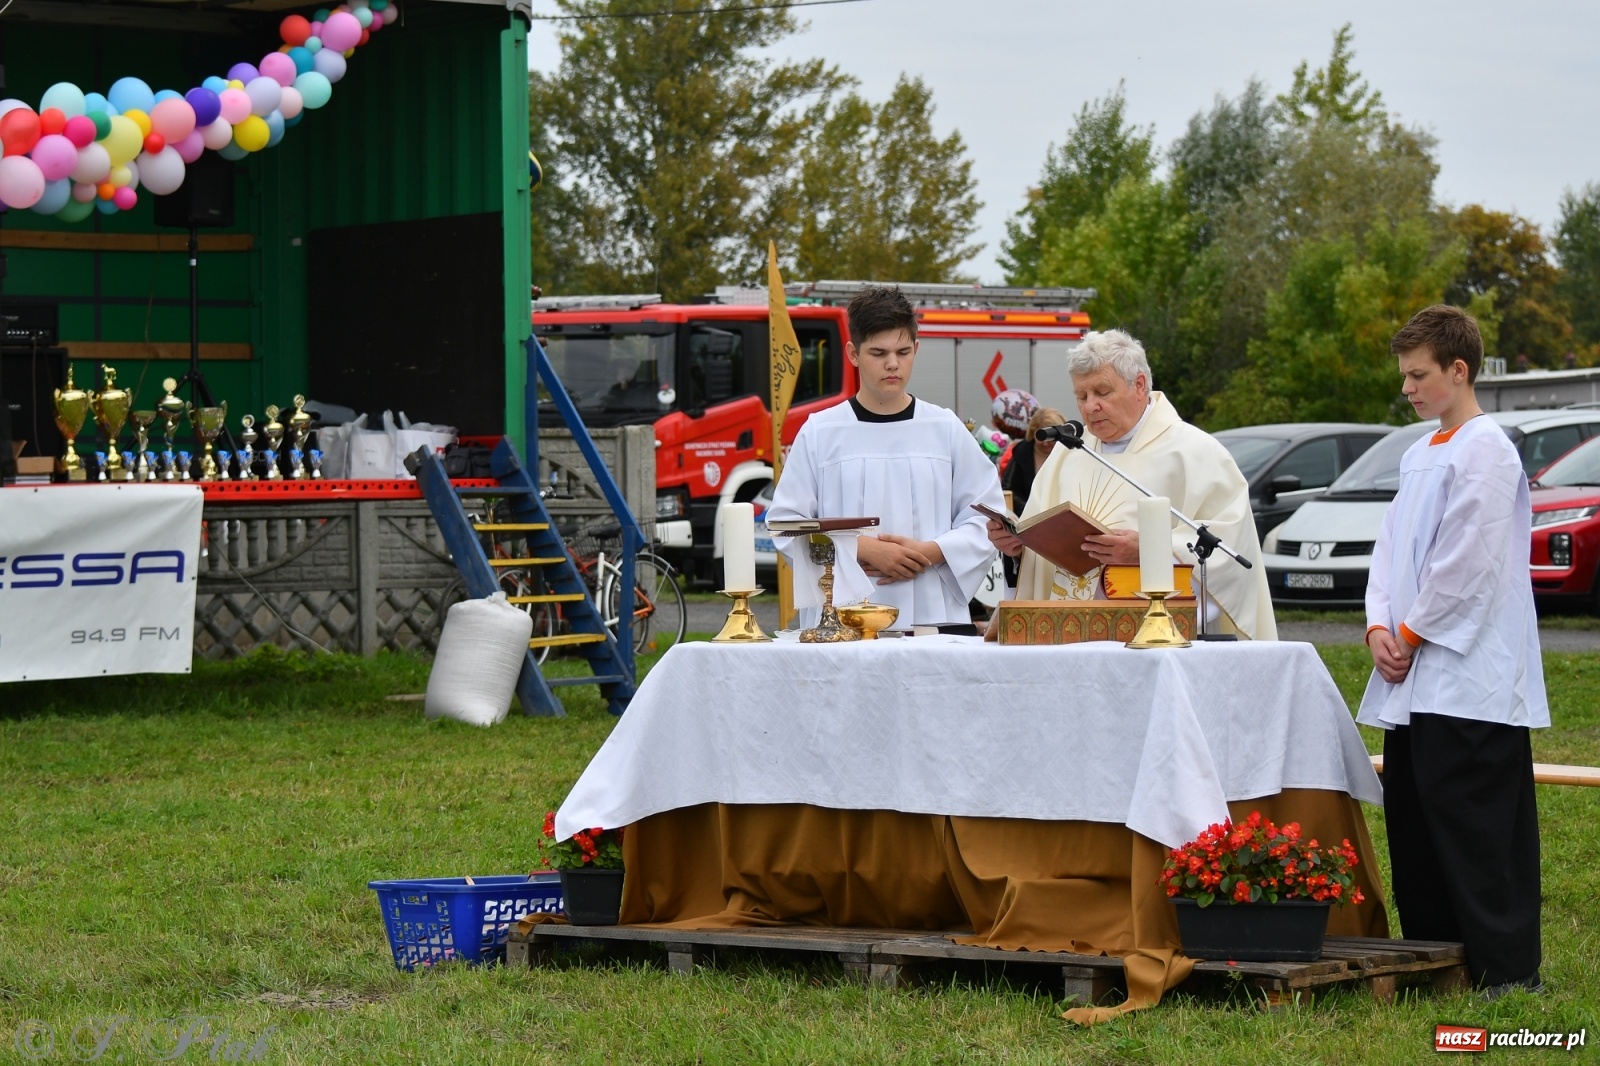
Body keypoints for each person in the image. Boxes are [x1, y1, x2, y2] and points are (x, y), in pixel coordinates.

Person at [1357, 304, 1547, 998]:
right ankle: (1434, 959)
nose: (1407, 389)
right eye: (1405, 375)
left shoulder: (1487, 450)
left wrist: (1409, 633)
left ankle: (1506, 967)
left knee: (1478, 823)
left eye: (1418, 375)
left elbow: (1469, 561)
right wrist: (1378, 625)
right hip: (1412, 676)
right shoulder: (1417, 453)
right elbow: (1388, 553)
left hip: (1469, 674)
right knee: (1417, 817)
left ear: (1458, 370)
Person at [986, 329, 1275, 639]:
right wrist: (1018, 547)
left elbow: (1230, 548)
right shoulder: (1068, 452)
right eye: (1081, 396)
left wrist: (1149, 550)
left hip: (1155, 637)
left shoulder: (1196, 452)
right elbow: (1040, 547)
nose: (1090, 406)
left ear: (1139, 386)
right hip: (1068, 635)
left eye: (1102, 392)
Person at [769, 285, 1004, 633]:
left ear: (916, 349)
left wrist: (931, 551)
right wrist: (860, 548)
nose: (893, 364)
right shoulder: (821, 432)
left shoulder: (944, 428)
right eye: (878, 353)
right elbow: (788, 525)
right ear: (853, 353)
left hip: (931, 614)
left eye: (903, 352)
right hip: (842, 621)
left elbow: (987, 519)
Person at [1002, 406, 1068, 516]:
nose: (1046, 443)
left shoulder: (1070, 453)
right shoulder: (1021, 453)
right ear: (1033, 432)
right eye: (1041, 438)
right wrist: (1030, 512)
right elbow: (1009, 490)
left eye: (1051, 439)